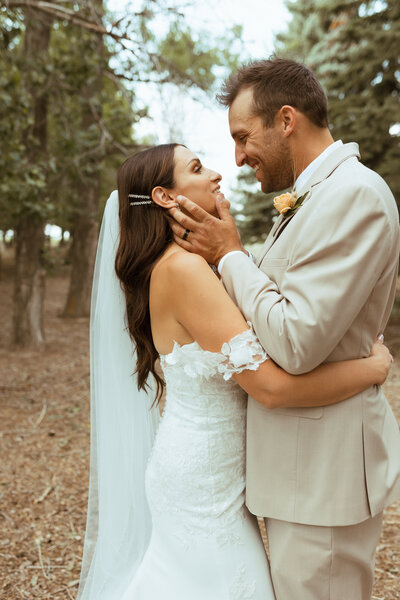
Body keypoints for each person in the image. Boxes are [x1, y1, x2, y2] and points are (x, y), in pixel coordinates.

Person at [77, 142, 393, 600]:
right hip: (205, 486)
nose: (217, 175)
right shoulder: (184, 271)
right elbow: (270, 388)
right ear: (165, 197)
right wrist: (372, 368)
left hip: (210, 470)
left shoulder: (186, 265)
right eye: (198, 168)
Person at [168, 58, 400, 600]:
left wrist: (231, 256)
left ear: (287, 119)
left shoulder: (354, 195)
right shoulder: (314, 195)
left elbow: (296, 342)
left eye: (244, 136)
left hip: (324, 475)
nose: (238, 156)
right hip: (300, 472)